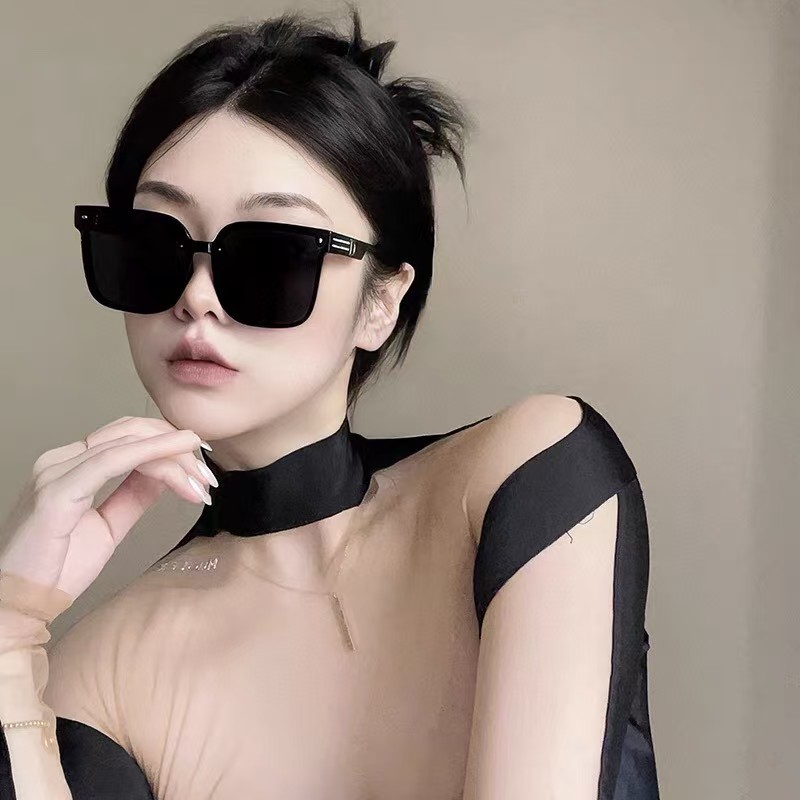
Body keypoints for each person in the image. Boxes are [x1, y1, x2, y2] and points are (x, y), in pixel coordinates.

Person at [0, 5, 659, 799]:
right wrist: (9, 627)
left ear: (381, 302)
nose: (196, 297)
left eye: (274, 255)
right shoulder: (96, 676)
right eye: (155, 244)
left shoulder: (526, 477)